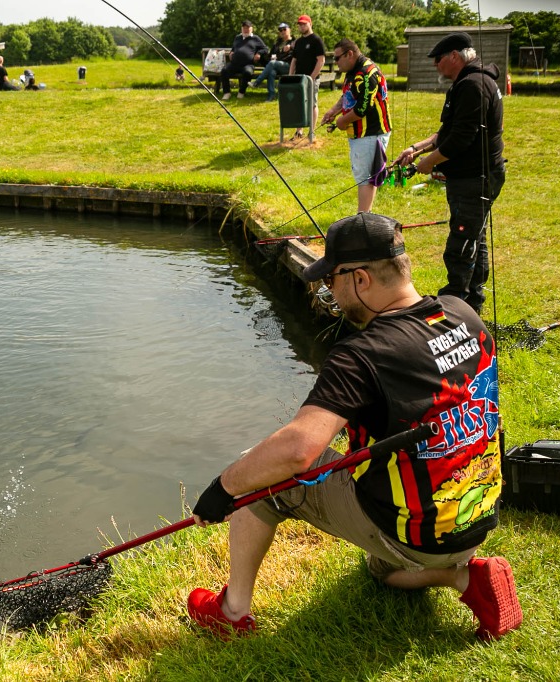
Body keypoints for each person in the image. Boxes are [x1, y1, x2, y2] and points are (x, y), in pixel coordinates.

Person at [186, 212, 521, 642]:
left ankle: (231, 611)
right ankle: (465, 576)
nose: (330, 291)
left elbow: (297, 450)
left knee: (259, 469)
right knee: (383, 571)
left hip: (417, 533)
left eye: (331, 280)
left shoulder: (361, 354)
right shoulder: (462, 312)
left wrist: (225, 487)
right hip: (477, 517)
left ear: (360, 278)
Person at [394, 32, 505, 315]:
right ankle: (472, 302)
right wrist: (416, 149)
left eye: (438, 59)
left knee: (461, 242)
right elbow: (447, 131)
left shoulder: (473, 85)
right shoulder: (466, 83)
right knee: (474, 239)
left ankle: (456, 302)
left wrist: (429, 163)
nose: (435, 65)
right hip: (469, 178)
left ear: (454, 56)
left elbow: (460, 139)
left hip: (476, 178)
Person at [321, 40, 392, 213]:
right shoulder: (352, 71)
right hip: (360, 134)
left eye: (337, 58)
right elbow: (348, 95)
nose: (336, 62)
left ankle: (362, 218)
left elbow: (362, 108)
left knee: (365, 178)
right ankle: (364, 216)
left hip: (371, 133)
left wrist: (342, 121)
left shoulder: (367, 73)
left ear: (349, 54)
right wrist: (334, 111)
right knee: (364, 176)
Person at [288, 15, 326, 138]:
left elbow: (321, 60)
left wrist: (312, 77)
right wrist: (290, 75)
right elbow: (294, 60)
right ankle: (299, 131)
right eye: (300, 24)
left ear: (310, 24)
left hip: (311, 78)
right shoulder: (298, 42)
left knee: (312, 104)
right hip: (299, 78)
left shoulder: (316, 40)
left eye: (304, 24)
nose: (302, 26)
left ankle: (311, 132)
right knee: (299, 104)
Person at [220, 21, 268, 101]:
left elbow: (265, 49)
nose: (245, 30)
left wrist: (258, 53)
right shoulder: (237, 37)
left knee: (248, 73)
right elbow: (234, 48)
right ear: (241, 29)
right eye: (244, 28)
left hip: (248, 64)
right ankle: (227, 92)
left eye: (247, 28)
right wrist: (231, 52)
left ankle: (241, 92)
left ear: (251, 29)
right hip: (235, 64)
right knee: (224, 71)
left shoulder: (255, 38)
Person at [251, 23, 294, 102]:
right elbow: (270, 55)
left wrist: (290, 48)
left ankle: (257, 82)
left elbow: (295, 55)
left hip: (289, 66)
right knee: (271, 72)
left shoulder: (294, 42)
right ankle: (271, 95)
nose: (282, 31)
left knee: (272, 63)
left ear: (289, 30)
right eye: (280, 30)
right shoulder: (277, 44)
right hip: (277, 66)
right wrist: (268, 57)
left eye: (284, 29)